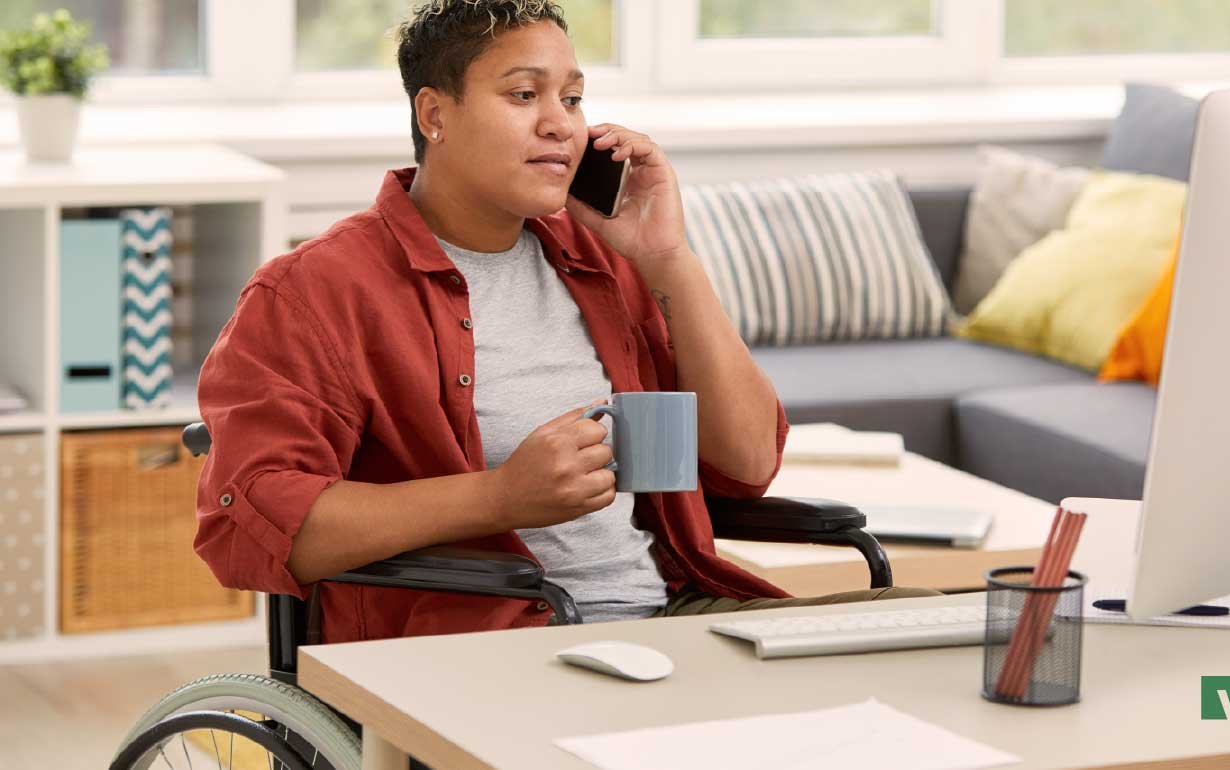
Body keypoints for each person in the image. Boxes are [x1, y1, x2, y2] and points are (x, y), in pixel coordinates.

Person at [194, 0, 939, 650]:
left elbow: (746, 462)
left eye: (575, 98)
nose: (561, 125)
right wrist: (497, 497)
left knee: (961, 644)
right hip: (484, 649)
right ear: (434, 115)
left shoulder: (600, 260)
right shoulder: (315, 291)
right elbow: (249, 523)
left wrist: (669, 258)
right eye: (524, 94)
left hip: (674, 619)